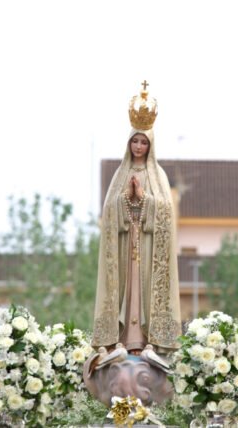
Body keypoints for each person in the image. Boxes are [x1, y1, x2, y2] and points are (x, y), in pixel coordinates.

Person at [91, 84, 181, 356]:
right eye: (135, 141)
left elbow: (165, 213)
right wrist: (124, 200)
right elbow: (108, 212)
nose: (139, 146)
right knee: (127, 289)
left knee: (143, 290)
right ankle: (122, 338)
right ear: (128, 143)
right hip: (124, 244)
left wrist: (144, 198)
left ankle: (147, 339)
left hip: (148, 246)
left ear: (150, 145)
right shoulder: (120, 174)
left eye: (144, 142)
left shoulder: (158, 175)